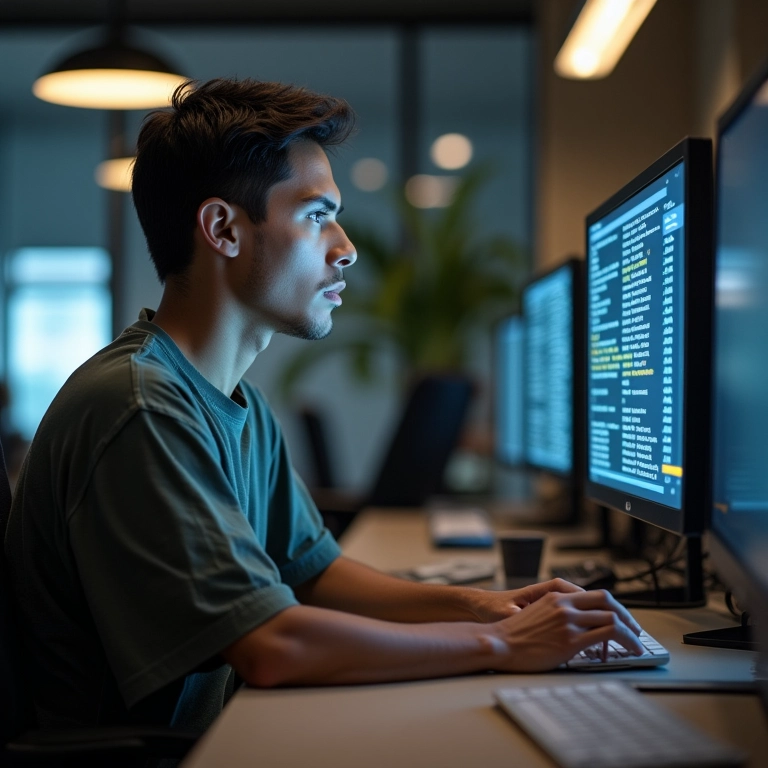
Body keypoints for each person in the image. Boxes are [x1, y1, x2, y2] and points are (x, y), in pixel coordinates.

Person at [3, 78, 644, 735]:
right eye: (316, 216)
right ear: (223, 228)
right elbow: (272, 647)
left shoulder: (234, 402)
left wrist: (485, 607)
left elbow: (315, 574)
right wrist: (505, 648)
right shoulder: (141, 408)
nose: (346, 247)